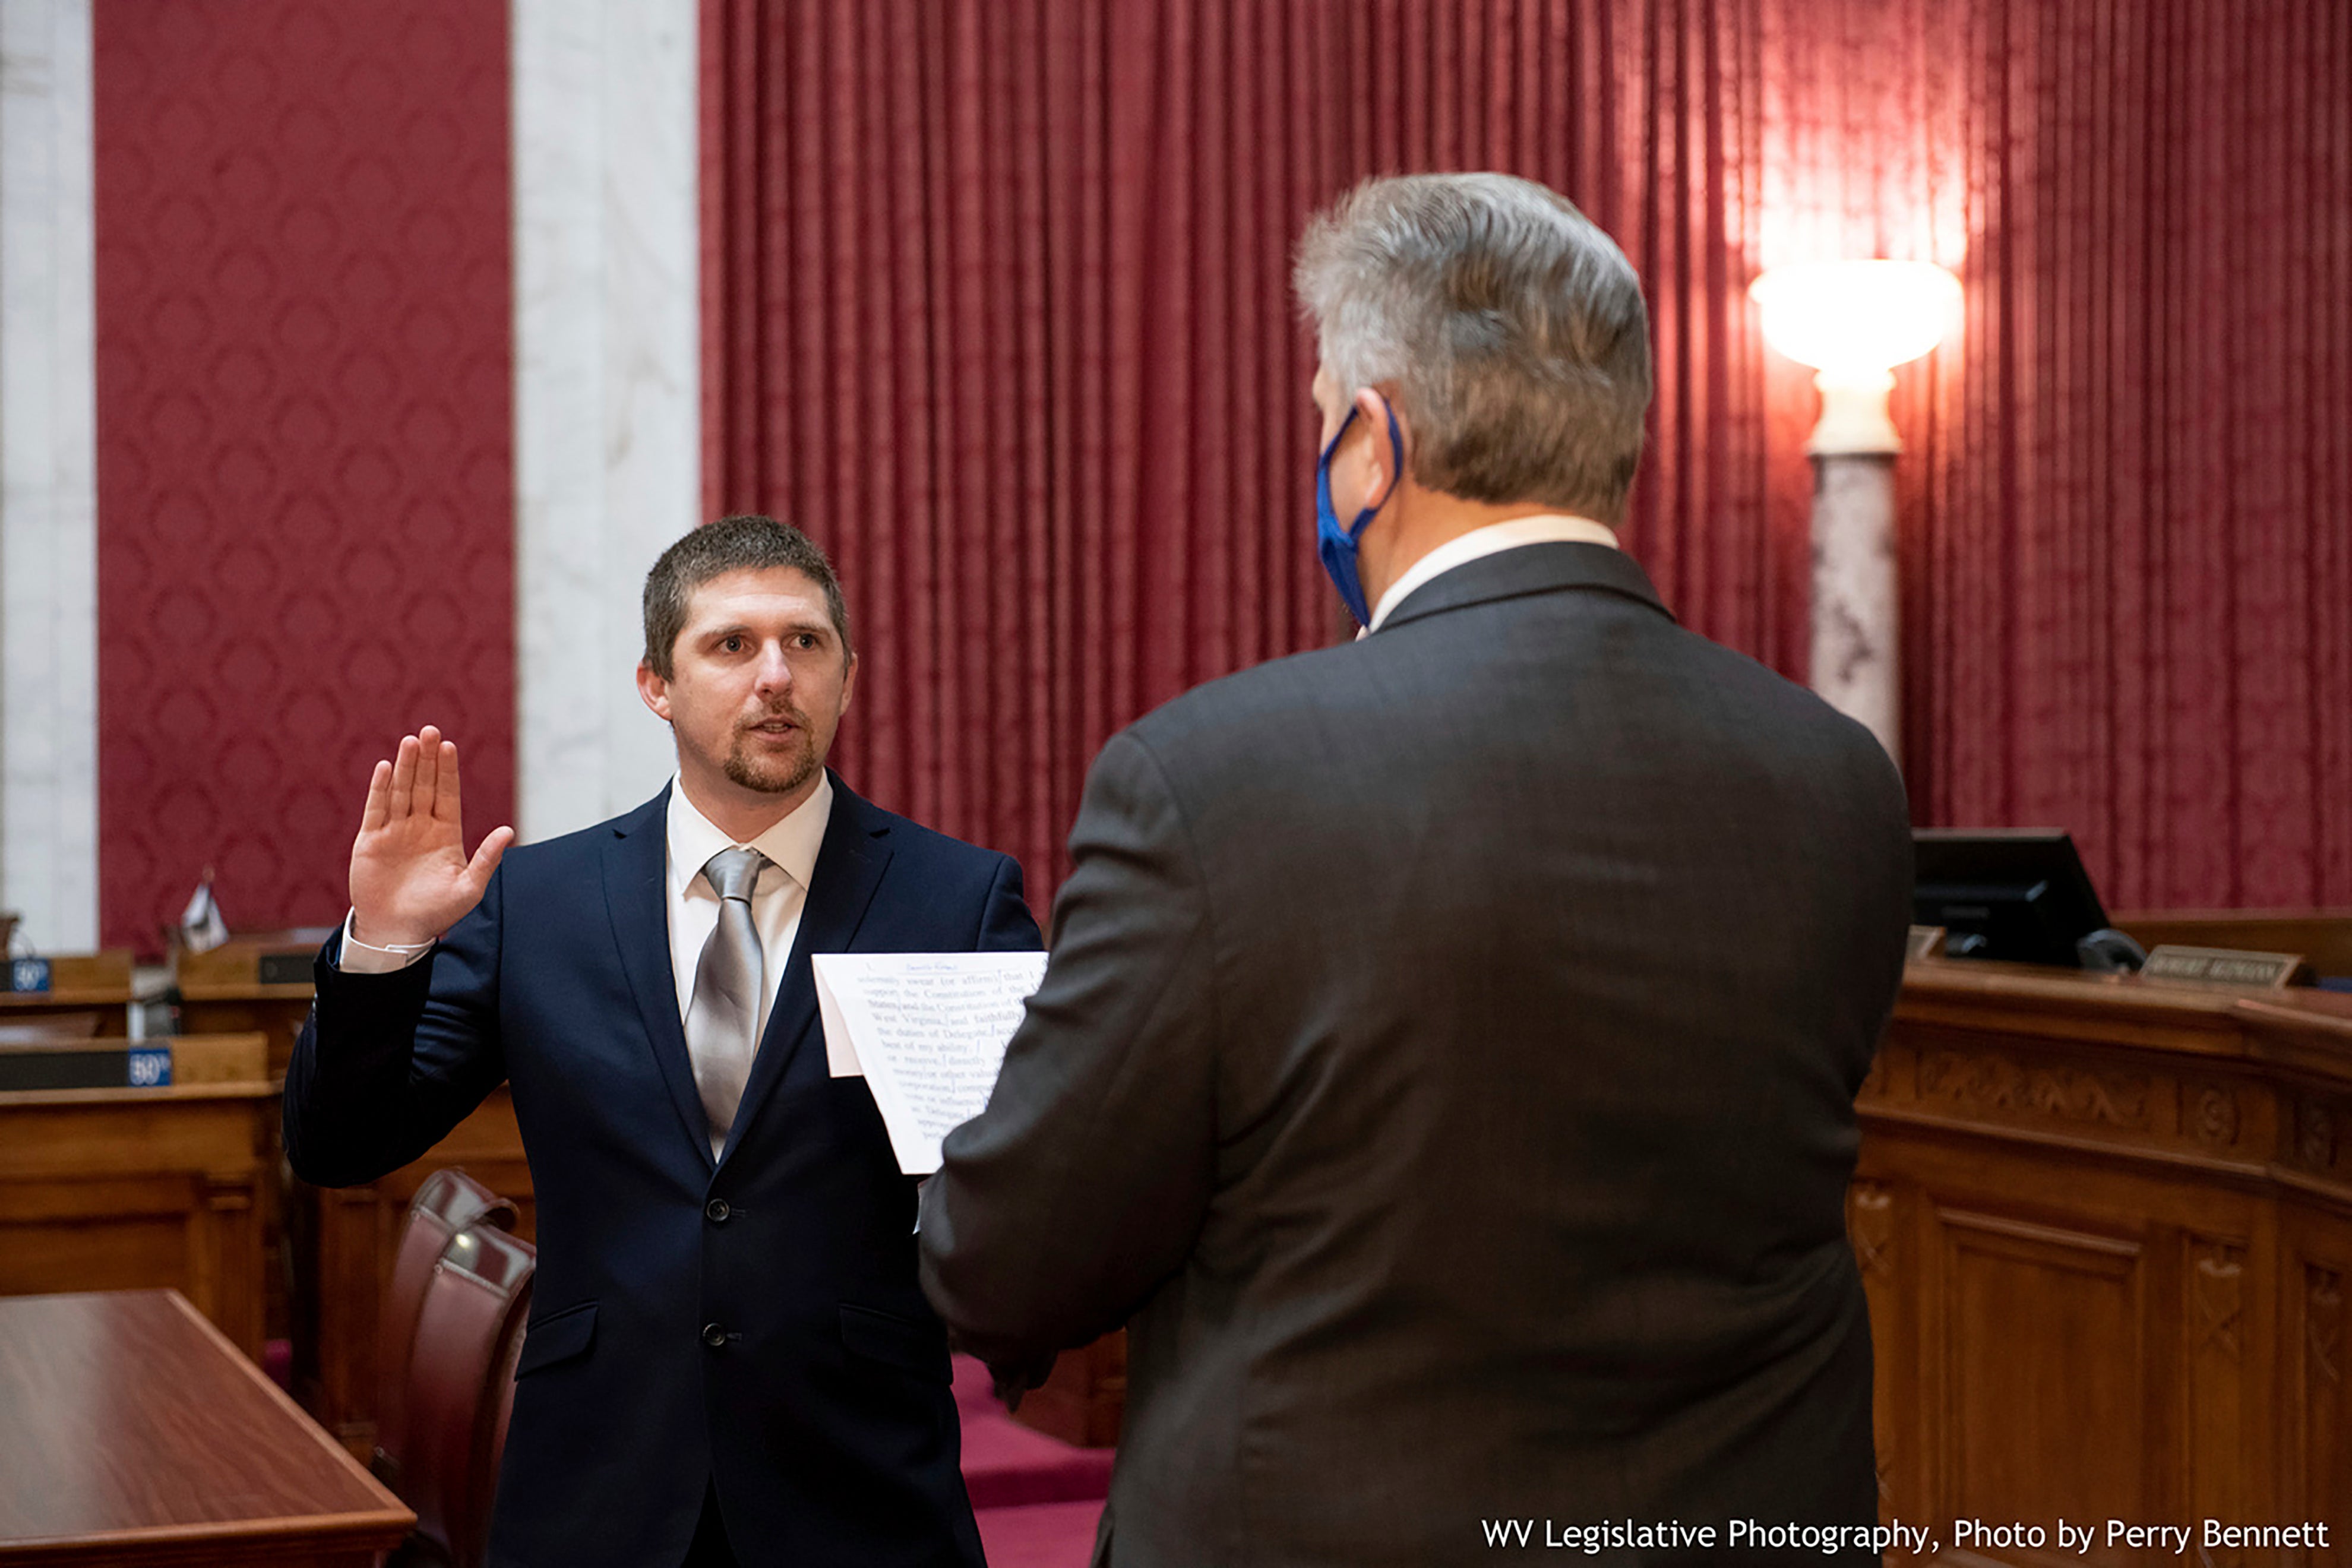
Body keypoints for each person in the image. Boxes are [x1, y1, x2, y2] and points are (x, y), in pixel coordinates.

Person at [916, 173, 1914, 1566]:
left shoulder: (1211, 780)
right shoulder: (1840, 781)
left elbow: (1005, 1260)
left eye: (1326, 416)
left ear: (1372, 448)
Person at [285, 515, 1039, 1568]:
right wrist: (387, 946)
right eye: (732, 645)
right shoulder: (540, 904)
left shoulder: (956, 898)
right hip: (598, 1483)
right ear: (657, 685)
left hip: (860, 1486)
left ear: (849, 678)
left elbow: (1033, 1180)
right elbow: (338, 1144)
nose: (775, 675)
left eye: (806, 644)